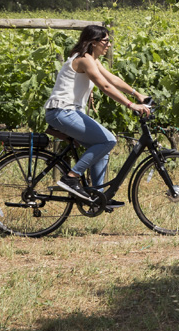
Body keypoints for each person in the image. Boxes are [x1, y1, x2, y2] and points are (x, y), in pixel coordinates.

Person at [44, 25, 150, 205]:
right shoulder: (84, 60)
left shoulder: (91, 60)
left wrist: (137, 93)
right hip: (62, 111)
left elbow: (112, 79)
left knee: (102, 148)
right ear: (93, 43)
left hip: (68, 112)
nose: (109, 44)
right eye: (106, 41)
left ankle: (96, 197)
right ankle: (71, 178)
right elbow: (105, 86)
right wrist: (131, 105)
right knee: (108, 140)